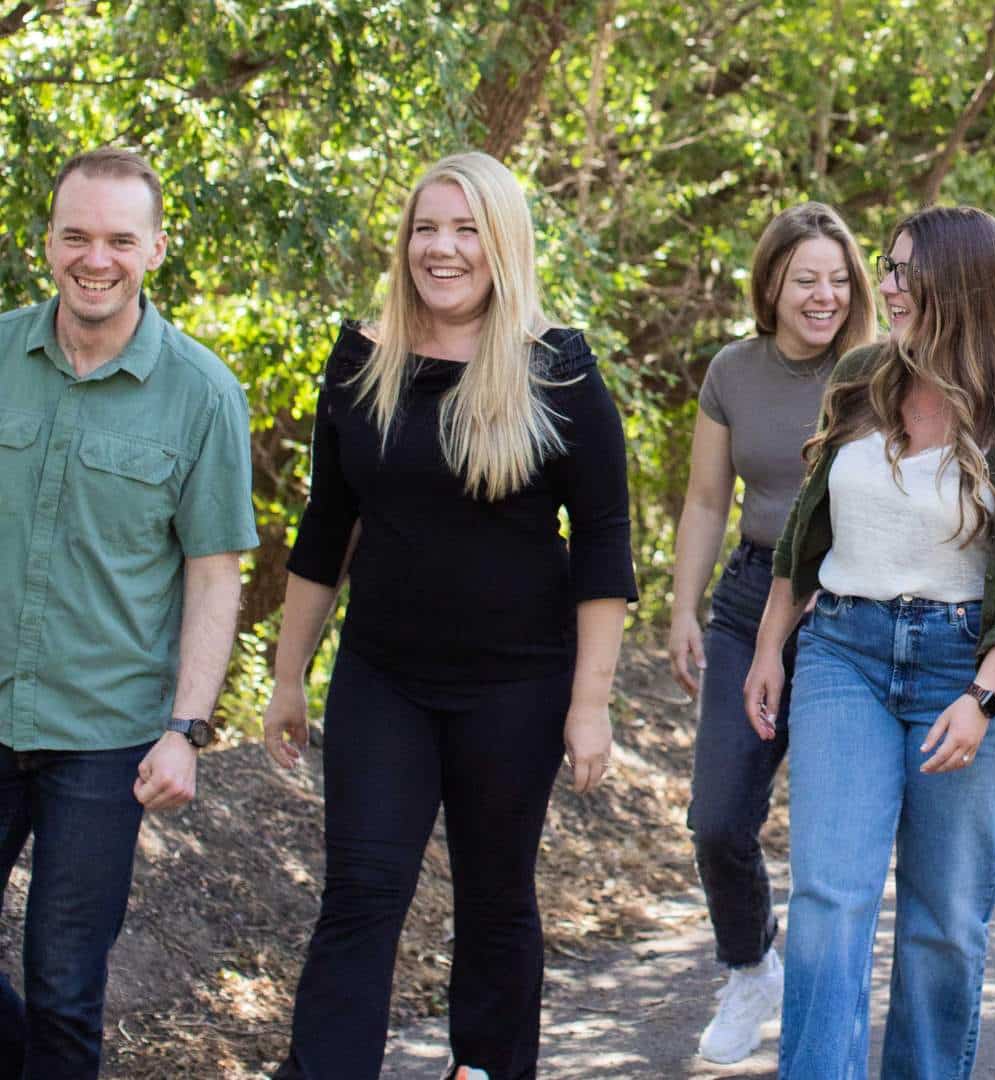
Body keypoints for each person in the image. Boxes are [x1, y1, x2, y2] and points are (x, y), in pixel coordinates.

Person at [262, 151, 636, 1079]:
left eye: (466, 228)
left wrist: (590, 704)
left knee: (496, 899)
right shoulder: (362, 359)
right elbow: (324, 531)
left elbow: (603, 546)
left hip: (518, 684)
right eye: (427, 227)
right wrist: (285, 678)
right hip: (384, 678)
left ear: (502, 240)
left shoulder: (560, 370)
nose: (443, 247)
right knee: (359, 891)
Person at [742, 205, 995, 1075]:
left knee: (942, 923)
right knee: (829, 898)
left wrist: (983, 697)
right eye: (887, 269)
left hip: (969, 666)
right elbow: (802, 537)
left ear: (963, 284)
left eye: (904, 272)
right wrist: (768, 648)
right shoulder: (861, 378)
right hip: (844, 653)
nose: (885, 286)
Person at [0, 147, 255, 1079]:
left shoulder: (201, 394)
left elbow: (213, 575)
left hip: (104, 738)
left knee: (65, 987)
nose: (93, 258)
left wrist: (186, 727)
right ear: (49, 242)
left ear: (153, 248)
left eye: (117, 239)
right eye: (75, 235)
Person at [665, 202, 875, 1064]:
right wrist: (683, 606)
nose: (823, 296)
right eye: (805, 280)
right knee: (717, 818)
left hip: (850, 605)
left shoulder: (877, 370)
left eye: (838, 279)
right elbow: (708, 499)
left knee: (830, 838)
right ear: (772, 286)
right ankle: (752, 965)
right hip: (751, 599)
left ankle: (834, 1008)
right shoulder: (733, 371)